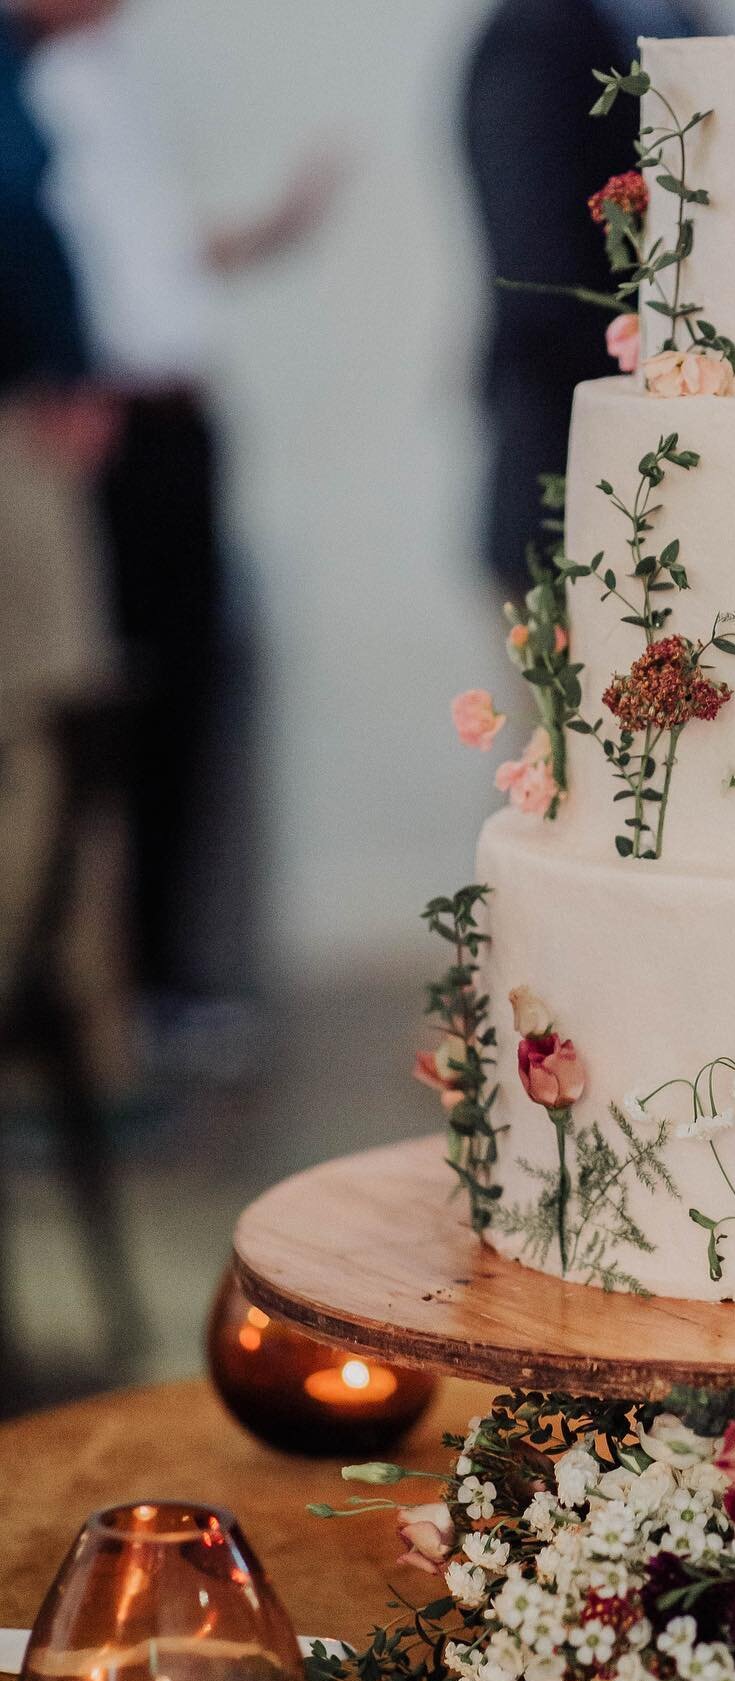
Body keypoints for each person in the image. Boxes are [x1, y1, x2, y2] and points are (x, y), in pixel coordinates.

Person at [17, 0, 342, 1035]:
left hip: (170, 416)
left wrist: (264, 235)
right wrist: (63, 379)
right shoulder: (22, 81)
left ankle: (163, 981)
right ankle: (102, 996)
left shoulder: (111, 73)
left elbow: (134, 254)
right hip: (98, 434)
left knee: (185, 697)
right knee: (105, 708)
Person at [461, 0, 697, 595]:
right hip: (564, 484)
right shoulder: (532, 39)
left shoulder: (685, 24)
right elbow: (538, 278)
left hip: (690, 499)